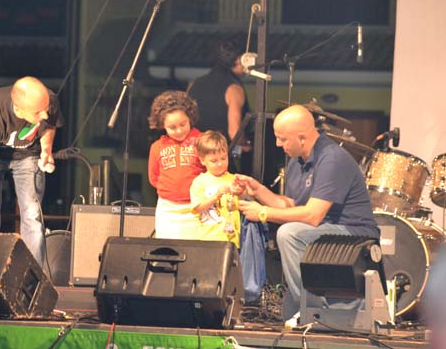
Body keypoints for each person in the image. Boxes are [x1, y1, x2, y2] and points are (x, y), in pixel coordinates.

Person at [235, 105, 379, 325]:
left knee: (289, 234)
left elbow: (312, 215)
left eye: (282, 139)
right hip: (325, 230)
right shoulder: (297, 161)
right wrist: (258, 191)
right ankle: (305, 308)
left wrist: (263, 213)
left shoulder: (331, 159)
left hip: (354, 233)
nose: (278, 144)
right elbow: (292, 206)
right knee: (288, 312)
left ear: (302, 138)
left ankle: (314, 309)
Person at [0, 76, 64, 266]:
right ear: (19, 110)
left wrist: (46, 150)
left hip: (28, 155)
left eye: (46, 109)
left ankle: (32, 274)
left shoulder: (48, 100)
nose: (44, 115)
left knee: (32, 215)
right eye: (38, 112)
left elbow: (50, 124)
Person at [147, 90, 205, 239]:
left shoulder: (203, 141)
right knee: (166, 247)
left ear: (190, 118)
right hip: (167, 209)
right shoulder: (157, 147)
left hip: (198, 206)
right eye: (172, 127)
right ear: (162, 125)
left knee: (196, 248)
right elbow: (154, 178)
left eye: (183, 124)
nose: (179, 131)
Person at [187, 40, 249, 147]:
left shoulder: (193, 84)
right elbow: (234, 133)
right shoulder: (234, 89)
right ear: (239, 60)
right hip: (219, 151)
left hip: (194, 148)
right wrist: (247, 145)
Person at [190, 130, 241, 247]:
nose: (220, 164)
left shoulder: (234, 179)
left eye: (223, 158)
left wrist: (241, 193)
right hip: (208, 239)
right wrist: (216, 196)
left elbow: (242, 205)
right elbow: (197, 208)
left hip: (232, 240)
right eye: (214, 161)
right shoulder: (199, 182)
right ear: (202, 160)